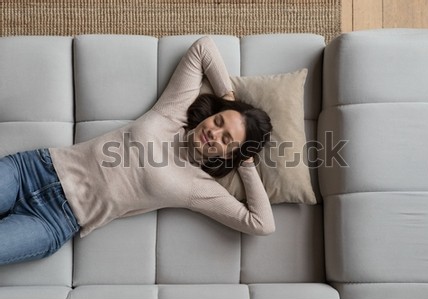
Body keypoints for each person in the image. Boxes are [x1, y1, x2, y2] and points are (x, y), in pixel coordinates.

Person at [0, 36, 275, 265]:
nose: (213, 133)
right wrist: (228, 98)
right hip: (33, 170)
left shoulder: (199, 187)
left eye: (226, 139)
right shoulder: (173, 113)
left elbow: (261, 224)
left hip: (55, 219)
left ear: (229, 155)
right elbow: (203, 48)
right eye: (218, 121)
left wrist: (246, 162)